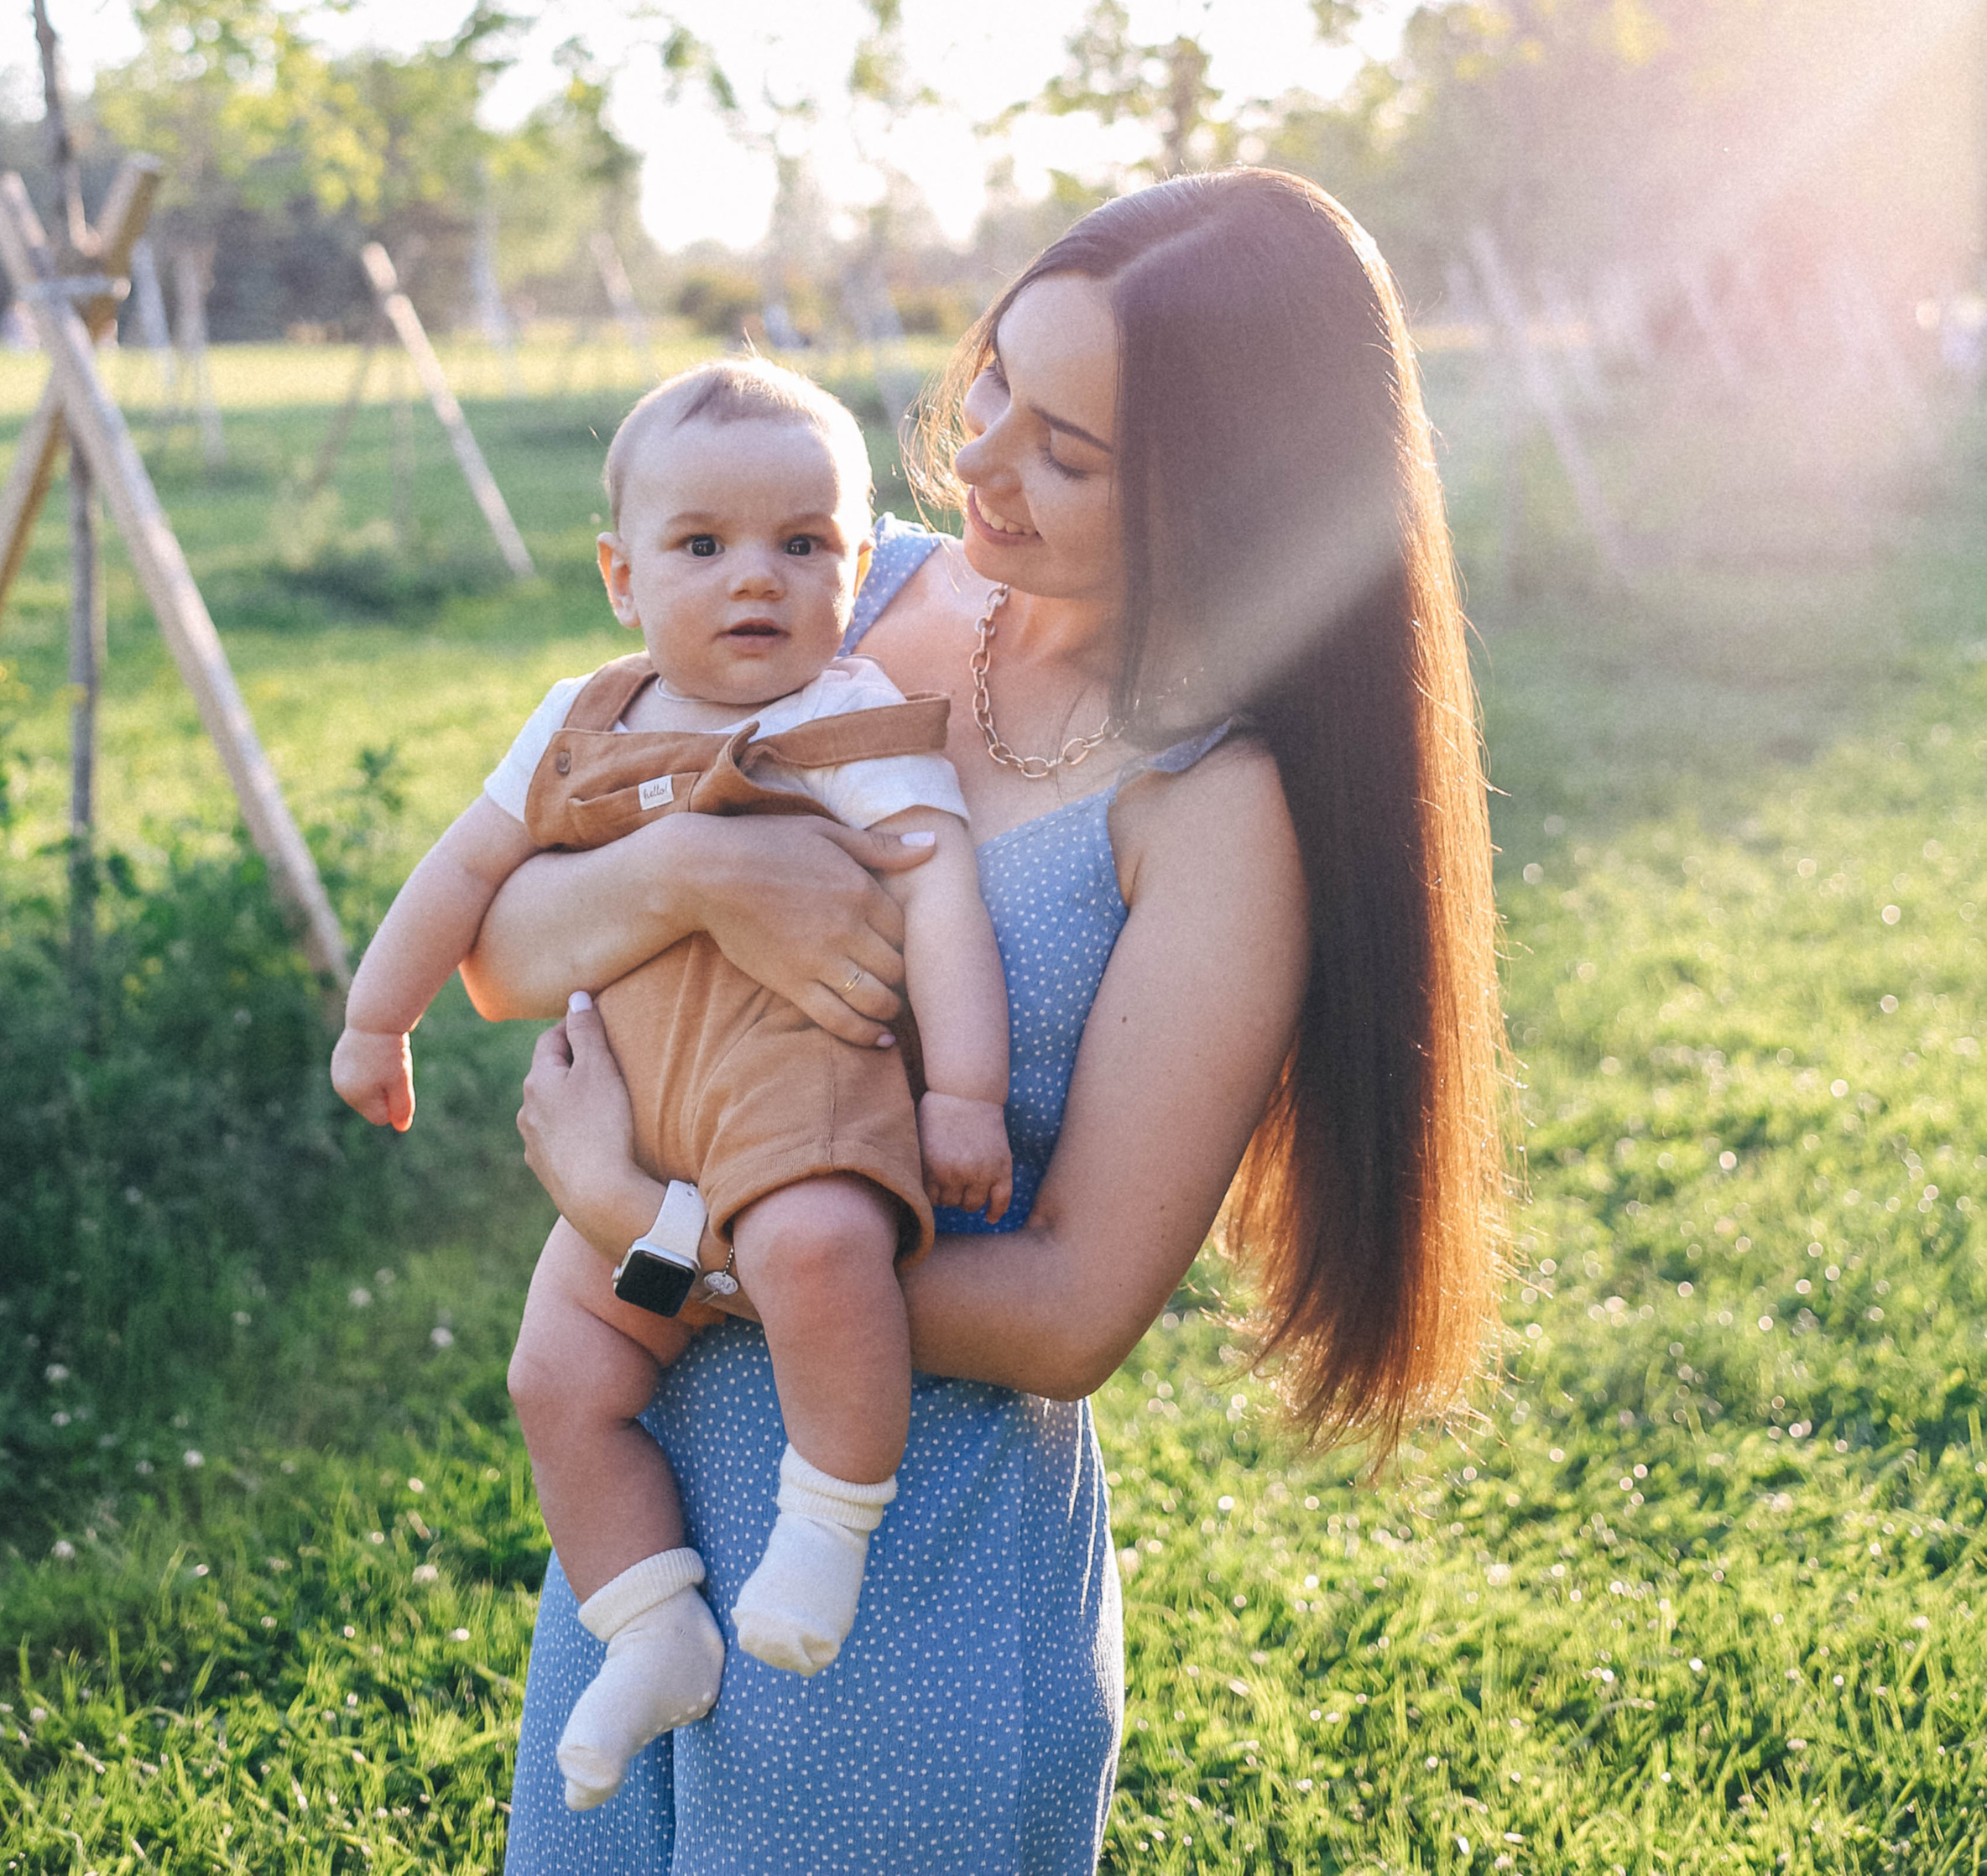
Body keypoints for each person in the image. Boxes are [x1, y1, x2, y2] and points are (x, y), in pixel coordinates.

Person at [465, 169, 1506, 1876]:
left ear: (1221, 497)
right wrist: (690, 889)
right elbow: (501, 948)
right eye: (997, 380)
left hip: (905, 1590)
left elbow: (1068, 1313)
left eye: (1068, 454)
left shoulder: (1215, 806)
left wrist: (649, 1238)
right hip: (645, 1511)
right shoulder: (848, 600)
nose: (984, 461)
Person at [331, 361, 1012, 1813]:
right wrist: (375, 1020)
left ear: (860, 557)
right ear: (621, 574)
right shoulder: (580, 717)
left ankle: (829, 1519)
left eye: (803, 544)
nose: (753, 580)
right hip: (626, 1111)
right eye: (702, 547)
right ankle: (650, 1627)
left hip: (793, 1113)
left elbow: (941, 896)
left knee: (822, 1250)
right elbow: (464, 872)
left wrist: (961, 1095)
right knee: (557, 1377)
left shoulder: (849, 716)